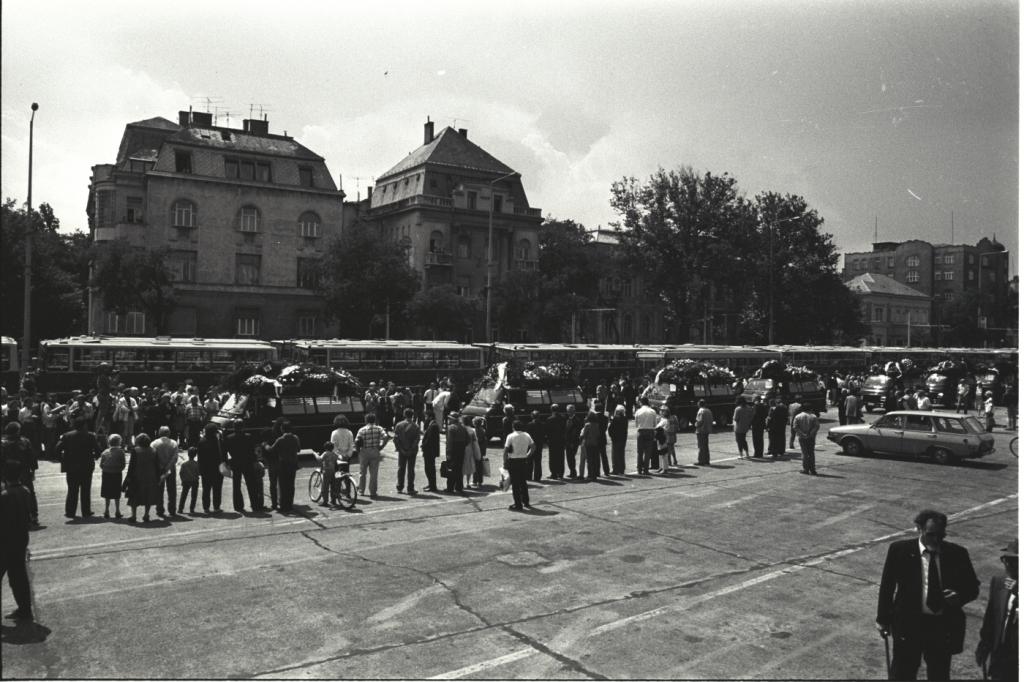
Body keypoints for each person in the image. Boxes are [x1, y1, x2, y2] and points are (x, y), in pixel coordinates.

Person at [876, 509, 980, 681]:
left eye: (941, 535)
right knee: (903, 673)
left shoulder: (957, 554)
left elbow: (972, 587)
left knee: (939, 674)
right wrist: (882, 619)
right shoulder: (899, 550)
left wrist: (959, 597)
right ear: (919, 529)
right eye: (931, 535)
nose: (936, 540)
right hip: (909, 625)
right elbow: (887, 586)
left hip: (941, 627)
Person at [975, 538, 1018, 680]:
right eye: (1006, 560)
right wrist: (984, 645)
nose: (1009, 565)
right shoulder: (999, 582)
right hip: (1001, 658)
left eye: (1015, 561)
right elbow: (991, 618)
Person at [1, 461, 34, 621]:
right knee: (18, 576)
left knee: (14, 576)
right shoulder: (25, 490)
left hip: (7, 541)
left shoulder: (5, 496)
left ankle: (24, 610)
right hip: (21, 537)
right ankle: (25, 609)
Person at [55, 417, 102, 519]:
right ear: (84, 425)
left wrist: (62, 460)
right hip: (86, 466)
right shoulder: (90, 436)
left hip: (71, 466)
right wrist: (94, 457)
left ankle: (70, 511)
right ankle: (86, 511)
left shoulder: (67, 436)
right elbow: (98, 450)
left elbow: (57, 449)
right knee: (86, 490)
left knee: (72, 490)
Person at [1, 421, 38, 526]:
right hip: (23, 472)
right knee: (29, 493)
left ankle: (10, 517)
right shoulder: (25, 442)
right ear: (17, 431)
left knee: (7, 495)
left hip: (6, 474)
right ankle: (33, 516)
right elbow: (32, 458)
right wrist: (33, 471)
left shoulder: (2, 443)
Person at [123, 433, 161, 523]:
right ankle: (146, 515)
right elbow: (157, 466)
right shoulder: (154, 451)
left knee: (134, 498)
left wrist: (127, 480)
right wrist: (158, 478)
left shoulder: (135, 451)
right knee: (148, 496)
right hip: (150, 477)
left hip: (137, 477)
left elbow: (131, 467)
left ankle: (134, 516)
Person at [225, 420, 261, 512]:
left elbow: (226, 452)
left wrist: (228, 462)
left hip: (236, 462)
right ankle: (255, 504)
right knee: (251, 484)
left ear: (234, 427)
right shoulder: (248, 437)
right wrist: (255, 461)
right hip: (247, 463)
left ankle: (238, 506)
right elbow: (252, 451)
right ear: (243, 427)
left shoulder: (229, 438)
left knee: (236, 485)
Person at [355, 413, 389, 499]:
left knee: (362, 472)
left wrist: (359, 451)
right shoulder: (379, 428)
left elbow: (357, 441)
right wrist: (381, 446)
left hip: (364, 451)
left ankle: (361, 491)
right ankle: (373, 492)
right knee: (374, 473)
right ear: (374, 420)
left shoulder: (362, 430)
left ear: (366, 420)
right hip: (375, 451)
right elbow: (386, 437)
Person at [503, 420, 534, 511]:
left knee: (515, 484)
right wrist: (527, 455)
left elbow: (505, 451)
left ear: (513, 427)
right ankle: (526, 501)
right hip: (523, 460)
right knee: (523, 482)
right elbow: (533, 447)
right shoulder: (526, 435)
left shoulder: (511, 436)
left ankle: (518, 504)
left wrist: (505, 462)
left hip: (513, 461)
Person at [272, 421, 301, 512]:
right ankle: (290, 504)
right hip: (293, 464)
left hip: (283, 464)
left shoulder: (280, 439)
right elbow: (299, 449)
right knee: (291, 485)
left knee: (283, 485)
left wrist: (265, 445)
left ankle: (283, 505)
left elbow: (272, 449)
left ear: (282, 429)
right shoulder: (295, 438)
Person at [197, 423, 226, 513]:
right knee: (217, 489)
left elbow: (200, 457)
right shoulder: (219, 441)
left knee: (206, 489)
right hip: (217, 468)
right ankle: (216, 507)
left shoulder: (201, 442)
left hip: (205, 469)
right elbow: (223, 455)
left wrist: (200, 469)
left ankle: (206, 507)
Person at [393, 408, 421, 494]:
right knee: (411, 470)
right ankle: (410, 488)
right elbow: (417, 440)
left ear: (404, 415)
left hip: (402, 450)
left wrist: (400, 449)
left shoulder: (399, 425)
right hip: (412, 451)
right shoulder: (416, 426)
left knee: (401, 469)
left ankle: (400, 487)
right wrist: (411, 449)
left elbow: (395, 439)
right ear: (412, 415)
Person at [99, 433, 126, 519]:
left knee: (107, 492)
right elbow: (123, 464)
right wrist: (118, 468)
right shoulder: (120, 452)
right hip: (116, 473)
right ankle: (117, 511)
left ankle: (106, 510)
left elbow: (101, 465)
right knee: (116, 492)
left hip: (106, 473)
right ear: (119, 442)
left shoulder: (105, 452)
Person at [444, 412, 468, 494]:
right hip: (461, 450)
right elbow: (468, 440)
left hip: (453, 450)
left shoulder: (451, 428)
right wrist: (463, 446)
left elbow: (449, 442)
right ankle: (459, 487)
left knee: (451, 469)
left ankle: (450, 487)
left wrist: (448, 453)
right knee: (459, 468)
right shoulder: (463, 427)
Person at [793, 404, 820, 475]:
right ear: (810, 409)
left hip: (802, 437)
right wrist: (810, 434)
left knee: (804, 453)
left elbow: (795, 427)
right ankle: (812, 469)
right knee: (811, 453)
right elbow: (816, 426)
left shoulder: (798, 416)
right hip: (811, 437)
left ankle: (806, 469)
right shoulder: (813, 416)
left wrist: (802, 434)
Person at [634, 397, 657, 475]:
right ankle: (646, 470)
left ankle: (639, 469)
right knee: (647, 452)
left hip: (641, 431)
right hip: (650, 431)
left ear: (641, 402)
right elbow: (655, 424)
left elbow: (636, 424)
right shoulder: (653, 411)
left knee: (640, 452)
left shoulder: (638, 411)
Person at [421, 414, 440, 492]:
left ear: (430, 417)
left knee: (430, 468)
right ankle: (430, 484)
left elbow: (430, 439)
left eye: (426, 416)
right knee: (428, 468)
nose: (425, 418)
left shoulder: (433, 426)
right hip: (430, 451)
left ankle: (432, 486)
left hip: (430, 451)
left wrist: (423, 445)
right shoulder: (432, 425)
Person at [315, 441, 337, 507]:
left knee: (325, 487)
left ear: (325, 448)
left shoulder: (325, 453)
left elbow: (320, 459)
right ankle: (333, 500)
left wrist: (316, 454)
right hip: (333, 471)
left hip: (326, 471)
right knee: (333, 486)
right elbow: (337, 458)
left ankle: (325, 501)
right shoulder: (333, 454)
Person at [178, 447, 200, 514]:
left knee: (184, 495)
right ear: (195, 455)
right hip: (194, 480)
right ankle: (192, 509)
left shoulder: (184, 464)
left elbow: (181, 473)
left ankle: (180, 509)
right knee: (194, 495)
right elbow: (198, 472)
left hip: (186, 481)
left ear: (188, 454)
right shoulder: (197, 464)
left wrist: (182, 480)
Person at [608, 405, 628, 475]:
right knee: (621, 454)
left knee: (615, 454)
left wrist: (611, 436)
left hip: (616, 439)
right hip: (623, 439)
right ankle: (621, 469)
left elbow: (610, 429)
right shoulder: (625, 419)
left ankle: (615, 469)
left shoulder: (615, 419)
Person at [462, 414, 481, 489]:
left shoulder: (461, 429)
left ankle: (461, 482)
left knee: (462, 465)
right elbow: (475, 442)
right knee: (469, 465)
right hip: (469, 449)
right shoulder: (472, 430)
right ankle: (467, 482)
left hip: (462, 448)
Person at [564, 404, 582, 479]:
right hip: (568, 441)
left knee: (571, 457)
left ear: (574, 411)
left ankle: (573, 472)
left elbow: (576, 433)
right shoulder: (567, 419)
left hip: (573, 442)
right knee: (569, 457)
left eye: (571, 411)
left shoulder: (576, 420)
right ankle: (572, 471)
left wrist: (572, 442)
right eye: (568, 411)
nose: (569, 412)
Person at [694, 399, 713, 465]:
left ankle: (701, 460)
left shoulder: (700, 411)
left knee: (701, 446)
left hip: (701, 430)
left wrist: (696, 425)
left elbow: (699, 421)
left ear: (699, 404)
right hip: (707, 430)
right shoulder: (708, 410)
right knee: (705, 446)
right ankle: (707, 460)